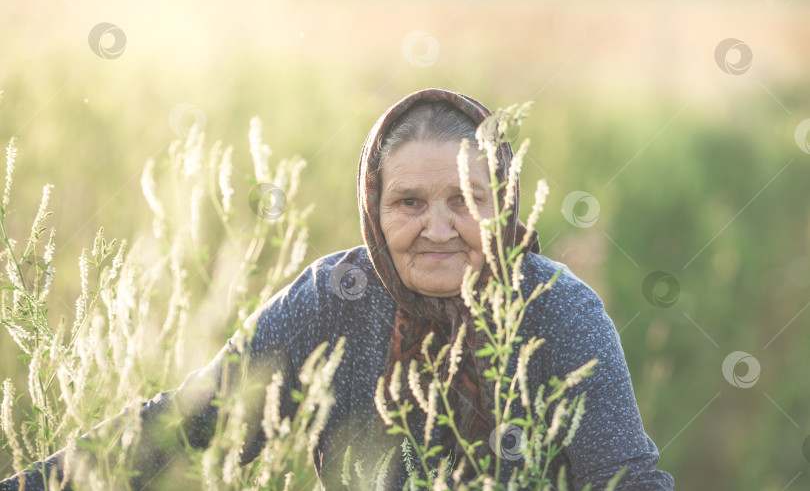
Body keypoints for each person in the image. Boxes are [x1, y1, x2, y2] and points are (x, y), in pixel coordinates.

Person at [0, 88, 675, 490]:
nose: (439, 228)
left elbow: (625, 477)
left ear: (503, 205)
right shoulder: (334, 298)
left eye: (467, 199)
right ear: (375, 212)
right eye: (410, 202)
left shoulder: (556, 309)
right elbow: (189, 420)